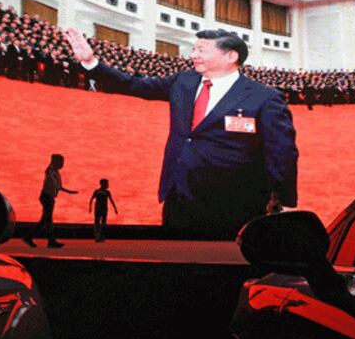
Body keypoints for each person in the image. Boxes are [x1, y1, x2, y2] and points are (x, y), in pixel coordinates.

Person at [66, 27, 299, 239]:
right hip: (179, 194)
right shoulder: (183, 81)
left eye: (202, 50)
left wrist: (285, 201)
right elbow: (132, 84)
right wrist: (91, 63)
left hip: (234, 204)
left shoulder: (264, 98)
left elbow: (282, 152)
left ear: (231, 56)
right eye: (194, 49)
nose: (194, 55)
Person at [23, 154, 78, 248]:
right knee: (46, 220)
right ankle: (30, 237)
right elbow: (47, 171)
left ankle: (50, 241)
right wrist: (51, 163)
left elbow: (59, 187)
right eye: (60, 162)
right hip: (46, 196)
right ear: (54, 162)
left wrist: (69, 192)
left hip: (50, 197)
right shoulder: (51, 171)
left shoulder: (57, 174)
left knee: (47, 220)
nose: (62, 164)